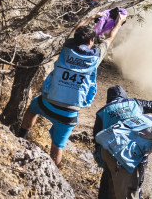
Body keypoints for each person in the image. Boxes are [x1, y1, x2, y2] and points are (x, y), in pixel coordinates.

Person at [17, 14, 126, 165]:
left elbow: (75, 29)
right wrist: (119, 22)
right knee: (57, 147)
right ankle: (52, 173)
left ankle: (20, 137)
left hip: (47, 103)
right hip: (68, 114)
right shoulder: (96, 56)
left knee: (32, 109)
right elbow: (110, 38)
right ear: (90, 41)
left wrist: (91, 16)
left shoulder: (67, 47)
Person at [93, 86, 152, 199]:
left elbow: (96, 136)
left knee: (109, 182)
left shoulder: (102, 111)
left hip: (112, 151)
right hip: (135, 152)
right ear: (124, 96)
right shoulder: (134, 103)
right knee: (135, 186)